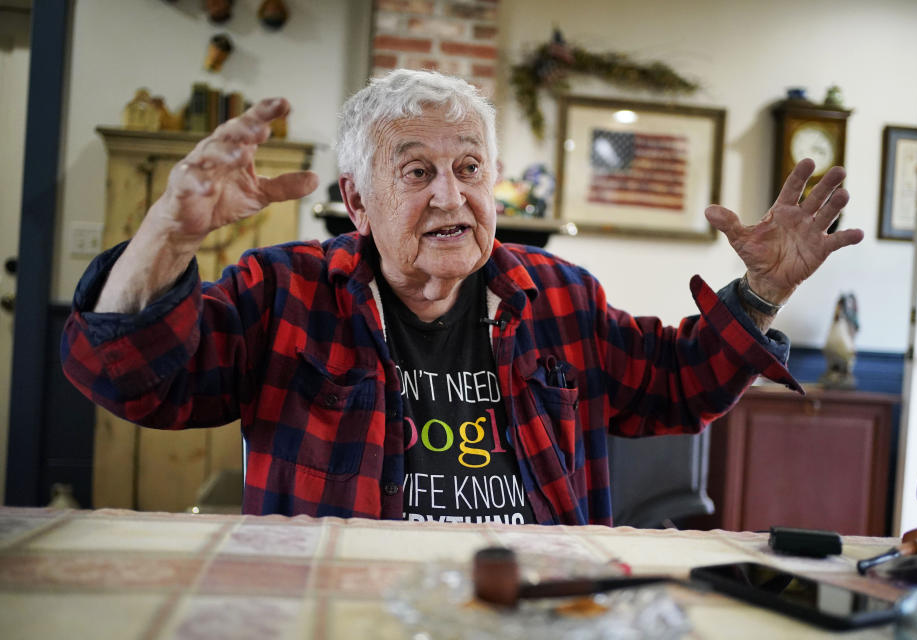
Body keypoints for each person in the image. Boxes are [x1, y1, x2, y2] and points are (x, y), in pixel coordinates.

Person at [62, 70, 863, 525]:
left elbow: (675, 385)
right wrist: (168, 231)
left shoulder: (557, 296)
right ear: (359, 199)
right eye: (416, 172)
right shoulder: (284, 293)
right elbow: (130, 378)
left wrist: (761, 291)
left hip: (535, 610)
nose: (451, 196)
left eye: (470, 168)